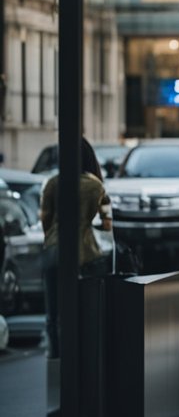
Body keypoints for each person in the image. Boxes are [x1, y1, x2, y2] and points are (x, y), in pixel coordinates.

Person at [40, 138, 113, 360]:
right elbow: (107, 222)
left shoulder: (53, 183)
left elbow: (46, 219)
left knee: (54, 310)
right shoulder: (96, 186)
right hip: (87, 251)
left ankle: (57, 356)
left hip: (54, 249)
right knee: (85, 307)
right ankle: (83, 355)